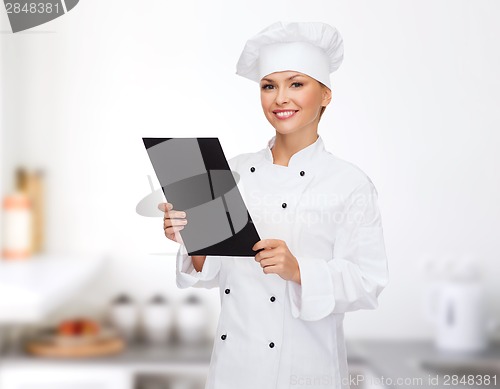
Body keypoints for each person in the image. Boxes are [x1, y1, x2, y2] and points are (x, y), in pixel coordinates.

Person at [158, 21, 389, 389]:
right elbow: (211, 271)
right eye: (269, 86)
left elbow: (367, 283)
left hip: (308, 371)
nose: (280, 98)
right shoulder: (231, 171)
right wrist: (190, 238)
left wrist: (298, 269)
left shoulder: (349, 184)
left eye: (296, 83)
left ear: (325, 94)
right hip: (235, 371)